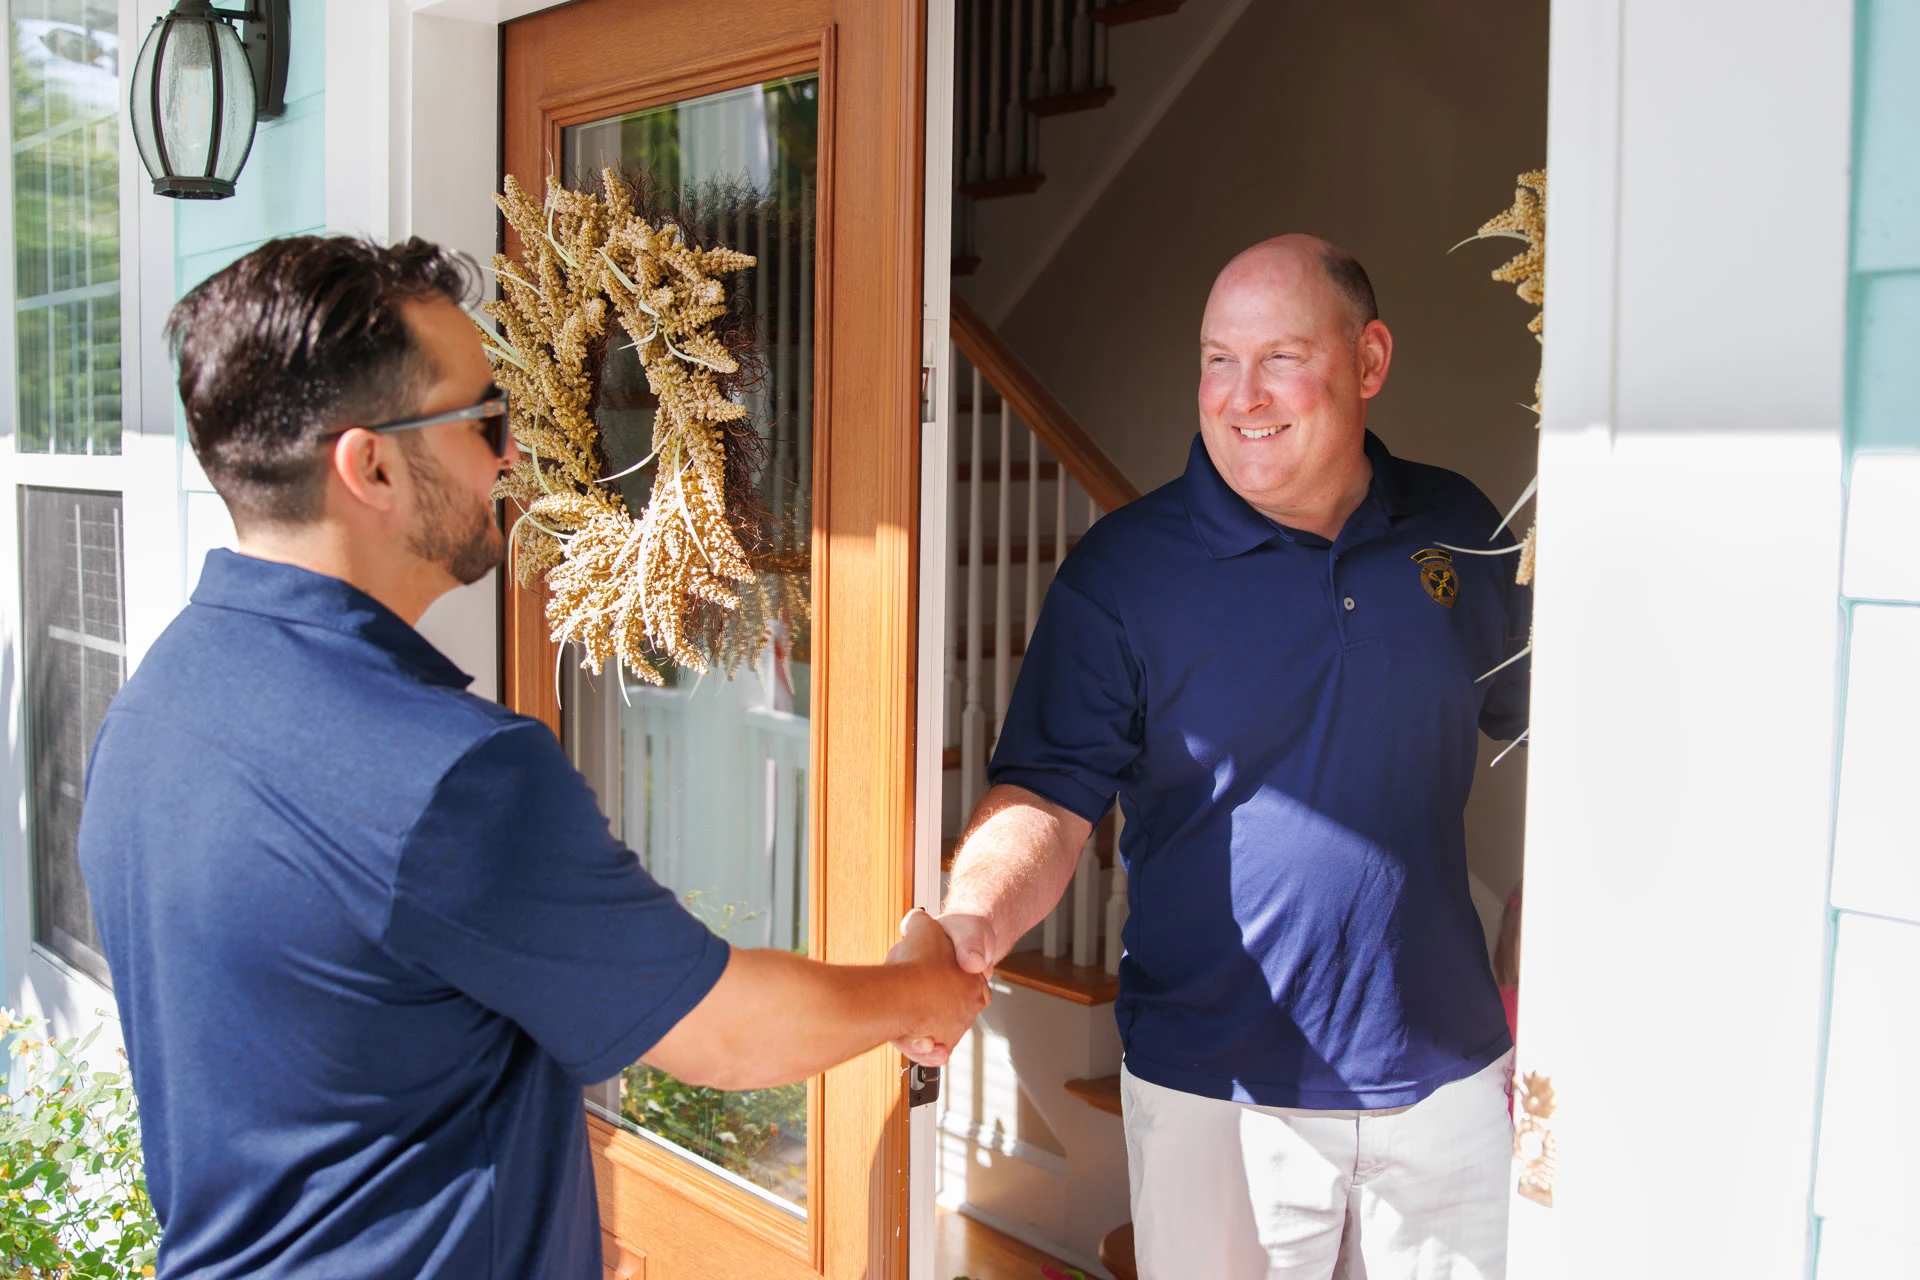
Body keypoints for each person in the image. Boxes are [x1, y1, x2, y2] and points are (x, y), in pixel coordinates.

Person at [77, 235, 987, 1279]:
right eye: (484, 419)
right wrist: (920, 990)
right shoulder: (442, 776)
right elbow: (727, 1033)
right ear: (369, 464)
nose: (511, 453)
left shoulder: (152, 708)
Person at [926, 235, 1530, 1279]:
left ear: (1370, 360)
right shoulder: (1123, 572)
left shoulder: (1457, 527)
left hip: (1446, 1085)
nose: (1241, 395)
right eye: (1217, 358)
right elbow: (1050, 795)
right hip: (1220, 1094)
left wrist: (1538, 959)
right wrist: (972, 917)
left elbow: (1550, 731)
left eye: (1280, 357)